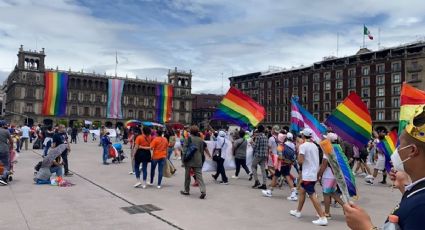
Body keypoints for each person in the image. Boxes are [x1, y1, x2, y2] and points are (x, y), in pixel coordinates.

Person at [344, 108, 425, 230]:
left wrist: (365, 227)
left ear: (412, 151)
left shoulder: (421, 206)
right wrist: (405, 189)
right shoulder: (419, 193)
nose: (396, 150)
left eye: (400, 145)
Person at [289, 128, 328, 226]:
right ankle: (298, 211)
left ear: (303, 136)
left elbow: (300, 161)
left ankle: (322, 217)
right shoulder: (314, 145)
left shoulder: (303, 146)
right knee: (302, 191)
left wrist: (298, 150)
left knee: (312, 195)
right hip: (313, 173)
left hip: (308, 174)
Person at [318, 132, 345, 219]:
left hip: (328, 174)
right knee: (332, 192)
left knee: (326, 194)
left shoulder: (328, 148)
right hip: (335, 174)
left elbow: (324, 163)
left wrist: (319, 174)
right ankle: (345, 206)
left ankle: (327, 213)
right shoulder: (338, 148)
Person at [180, 125, 211, 199]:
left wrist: (183, 161)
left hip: (189, 160)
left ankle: (186, 191)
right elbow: (201, 151)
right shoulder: (201, 140)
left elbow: (184, 151)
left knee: (187, 176)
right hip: (198, 160)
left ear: (190, 131)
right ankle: (203, 191)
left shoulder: (188, 139)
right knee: (199, 176)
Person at [281, 132, 298, 201]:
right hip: (290, 162)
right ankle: (293, 189)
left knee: (279, 175)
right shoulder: (293, 145)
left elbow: (278, 152)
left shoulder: (283, 145)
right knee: (287, 175)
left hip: (282, 163)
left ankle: (270, 190)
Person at [251, 125, 268, 189]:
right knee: (263, 169)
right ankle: (264, 184)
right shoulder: (265, 137)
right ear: (263, 130)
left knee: (253, 166)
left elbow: (255, 146)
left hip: (258, 155)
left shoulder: (258, 137)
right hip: (264, 155)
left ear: (258, 130)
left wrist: (252, 142)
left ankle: (256, 181)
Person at [0, 121, 13, 185]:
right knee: (6, 165)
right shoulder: (6, 131)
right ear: (2, 125)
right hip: (4, 150)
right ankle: (3, 178)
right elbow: (11, 141)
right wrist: (11, 147)